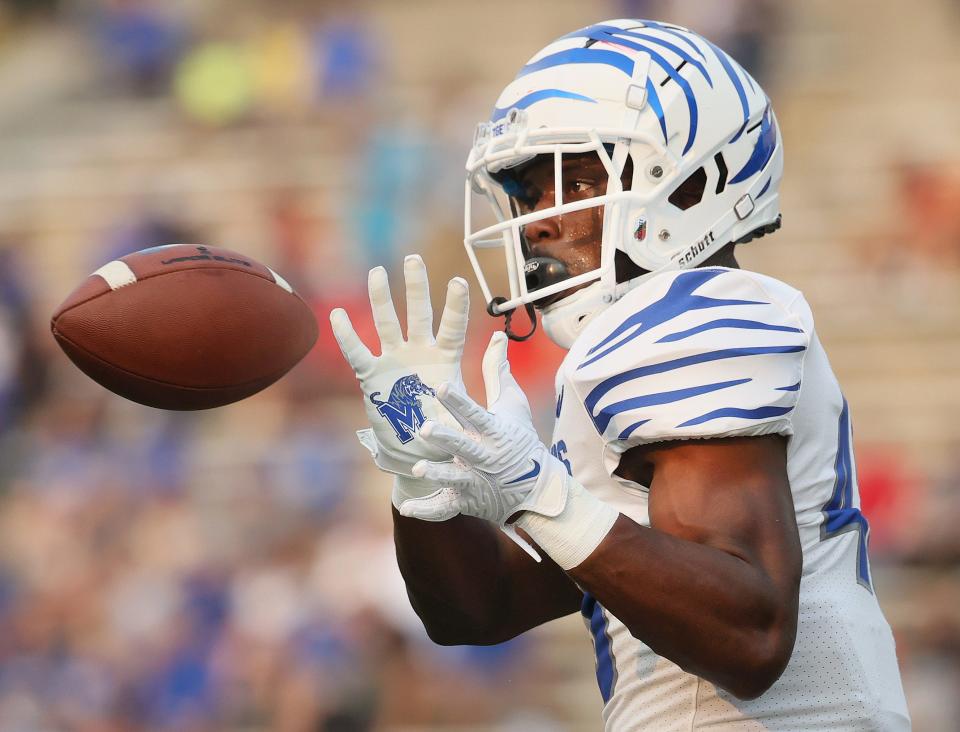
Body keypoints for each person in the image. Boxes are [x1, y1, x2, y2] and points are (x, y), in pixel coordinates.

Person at [331, 19, 911, 730]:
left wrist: (539, 494)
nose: (538, 222)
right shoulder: (634, 352)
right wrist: (420, 482)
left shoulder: (695, 314)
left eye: (572, 179)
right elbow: (478, 610)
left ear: (694, 180)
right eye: (529, 191)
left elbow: (751, 639)